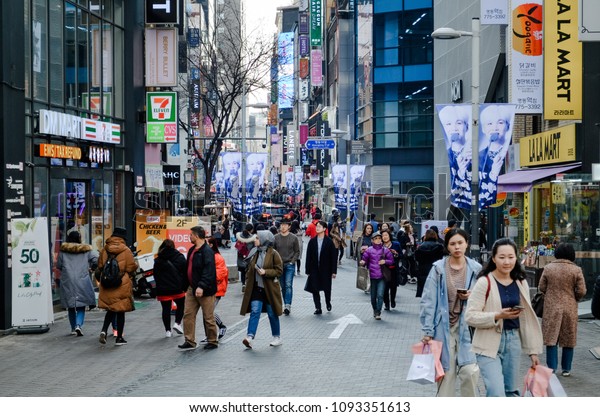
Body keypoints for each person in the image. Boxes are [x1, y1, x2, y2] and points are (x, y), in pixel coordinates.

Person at [465, 238, 542, 397]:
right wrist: (498, 315)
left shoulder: (521, 282)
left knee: (511, 391)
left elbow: (526, 319)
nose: (506, 262)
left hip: (513, 341)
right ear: (493, 258)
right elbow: (470, 316)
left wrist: (532, 351)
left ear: (516, 258)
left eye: (510, 257)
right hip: (487, 342)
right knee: (496, 392)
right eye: (501, 257)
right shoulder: (484, 282)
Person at [420, 228, 482, 397]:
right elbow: (428, 300)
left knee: (470, 371)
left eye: (460, 243)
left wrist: (472, 295)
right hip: (443, 327)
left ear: (467, 244)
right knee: (446, 374)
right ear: (447, 246)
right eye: (452, 244)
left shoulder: (476, 269)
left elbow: (486, 298)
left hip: (468, 328)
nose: (457, 247)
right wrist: (428, 331)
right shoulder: (438, 269)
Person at [538, 243, 587, 376]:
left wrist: (550, 293)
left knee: (551, 338)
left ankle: (551, 368)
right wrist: (574, 297)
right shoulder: (576, 270)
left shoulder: (548, 268)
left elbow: (541, 287)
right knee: (569, 338)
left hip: (551, 306)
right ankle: (566, 369)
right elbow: (582, 290)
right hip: (569, 306)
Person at [240, 230, 284, 348]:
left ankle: (276, 336)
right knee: (255, 311)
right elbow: (248, 268)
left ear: (265, 240)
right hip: (256, 288)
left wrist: (266, 272)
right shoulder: (254, 252)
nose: (255, 240)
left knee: (271, 313)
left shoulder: (274, 254)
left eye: (258, 238)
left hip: (269, 289)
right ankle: (249, 337)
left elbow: (279, 271)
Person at [178, 226, 219, 351]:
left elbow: (209, 271)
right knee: (188, 314)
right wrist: (184, 286)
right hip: (191, 288)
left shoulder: (207, 251)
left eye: (190, 235)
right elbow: (188, 269)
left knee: (208, 317)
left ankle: (212, 340)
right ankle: (189, 340)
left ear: (196, 236)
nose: (189, 237)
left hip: (205, 289)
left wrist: (201, 286)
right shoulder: (192, 250)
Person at [97, 227, 137, 346]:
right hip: (121, 283)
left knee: (110, 308)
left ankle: (104, 330)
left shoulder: (105, 249)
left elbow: (100, 266)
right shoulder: (126, 250)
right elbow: (130, 267)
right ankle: (119, 338)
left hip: (107, 282)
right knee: (120, 311)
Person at [56, 230, 98, 336]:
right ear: (79, 239)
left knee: (70, 306)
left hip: (68, 280)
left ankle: (73, 327)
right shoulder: (86, 250)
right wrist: (92, 268)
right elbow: (96, 260)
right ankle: (79, 325)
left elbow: (59, 265)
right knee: (81, 305)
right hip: (82, 279)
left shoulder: (63, 251)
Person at [478, 105, 512, 209]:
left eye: (500, 122)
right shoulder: (478, 157)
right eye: (489, 123)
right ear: (484, 129)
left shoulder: (511, 153)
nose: (495, 127)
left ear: (507, 126)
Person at [439, 105, 472, 210]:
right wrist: (460, 174)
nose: (453, 128)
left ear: (466, 126)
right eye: (448, 124)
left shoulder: (475, 153)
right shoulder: (449, 154)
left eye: (459, 123)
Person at [153, 239, 187, 338]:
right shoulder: (180, 257)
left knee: (165, 309)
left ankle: (168, 331)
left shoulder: (158, 259)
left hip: (163, 289)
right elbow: (185, 272)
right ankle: (177, 323)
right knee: (181, 305)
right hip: (177, 288)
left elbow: (156, 275)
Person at [304, 220, 338, 315]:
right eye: (317, 226)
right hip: (314, 269)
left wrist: (334, 271)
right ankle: (318, 307)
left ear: (324, 229)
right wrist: (307, 270)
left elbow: (333, 258)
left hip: (326, 269)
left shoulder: (329, 242)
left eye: (319, 226)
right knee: (315, 288)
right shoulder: (312, 241)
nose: (317, 228)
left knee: (327, 288)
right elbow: (308, 256)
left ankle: (328, 302)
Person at [360, 231, 394, 320]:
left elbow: (392, 261)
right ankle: (375, 310)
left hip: (382, 276)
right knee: (373, 297)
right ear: (372, 240)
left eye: (379, 238)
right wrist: (362, 262)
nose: (378, 240)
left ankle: (378, 312)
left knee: (380, 295)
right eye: (376, 239)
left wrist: (385, 261)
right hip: (371, 276)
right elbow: (364, 260)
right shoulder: (369, 250)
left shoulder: (385, 250)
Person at [273, 219, 300, 316]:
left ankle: (287, 305)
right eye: (281, 225)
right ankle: (285, 304)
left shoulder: (293, 238)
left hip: (289, 265)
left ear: (289, 226)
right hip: (279, 266)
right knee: (283, 286)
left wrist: (292, 262)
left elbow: (297, 251)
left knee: (288, 285)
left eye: (285, 225)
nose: (283, 227)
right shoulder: (276, 238)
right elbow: (273, 251)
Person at [207, 237, 229, 340]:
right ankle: (210, 335)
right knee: (207, 312)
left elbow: (221, 273)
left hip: (216, 289)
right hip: (210, 288)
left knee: (209, 312)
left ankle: (221, 327)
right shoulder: (208, 255)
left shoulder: (217, 257)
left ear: (211, 245)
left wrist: (207, 277)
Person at [414, 229, 445, 298]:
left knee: (424, 293)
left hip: (422, 271)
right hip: (435, 270)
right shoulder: (439, 247)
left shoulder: (420, 247)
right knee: (435, 293)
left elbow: (417, 259)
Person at [380, 230, 401, 310]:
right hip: (383, 269)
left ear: (389, 236)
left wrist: (396, 253)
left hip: (393, 269)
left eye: (386, 235)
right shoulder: (380, 246)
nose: (385, 237)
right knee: (384, 288)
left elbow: (401, 256)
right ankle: (386, 303)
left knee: (393, 287)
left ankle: (392, 300)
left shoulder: (396, 244)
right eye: (383, 235)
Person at [235, 223, 255, 293]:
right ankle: (248, 283)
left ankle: (243, 284)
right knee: (248, 271)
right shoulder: (252, 237)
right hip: (249, 256)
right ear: (251, 230)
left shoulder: (239, 235)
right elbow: (254, 247)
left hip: (241, 256)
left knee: (243, 271)